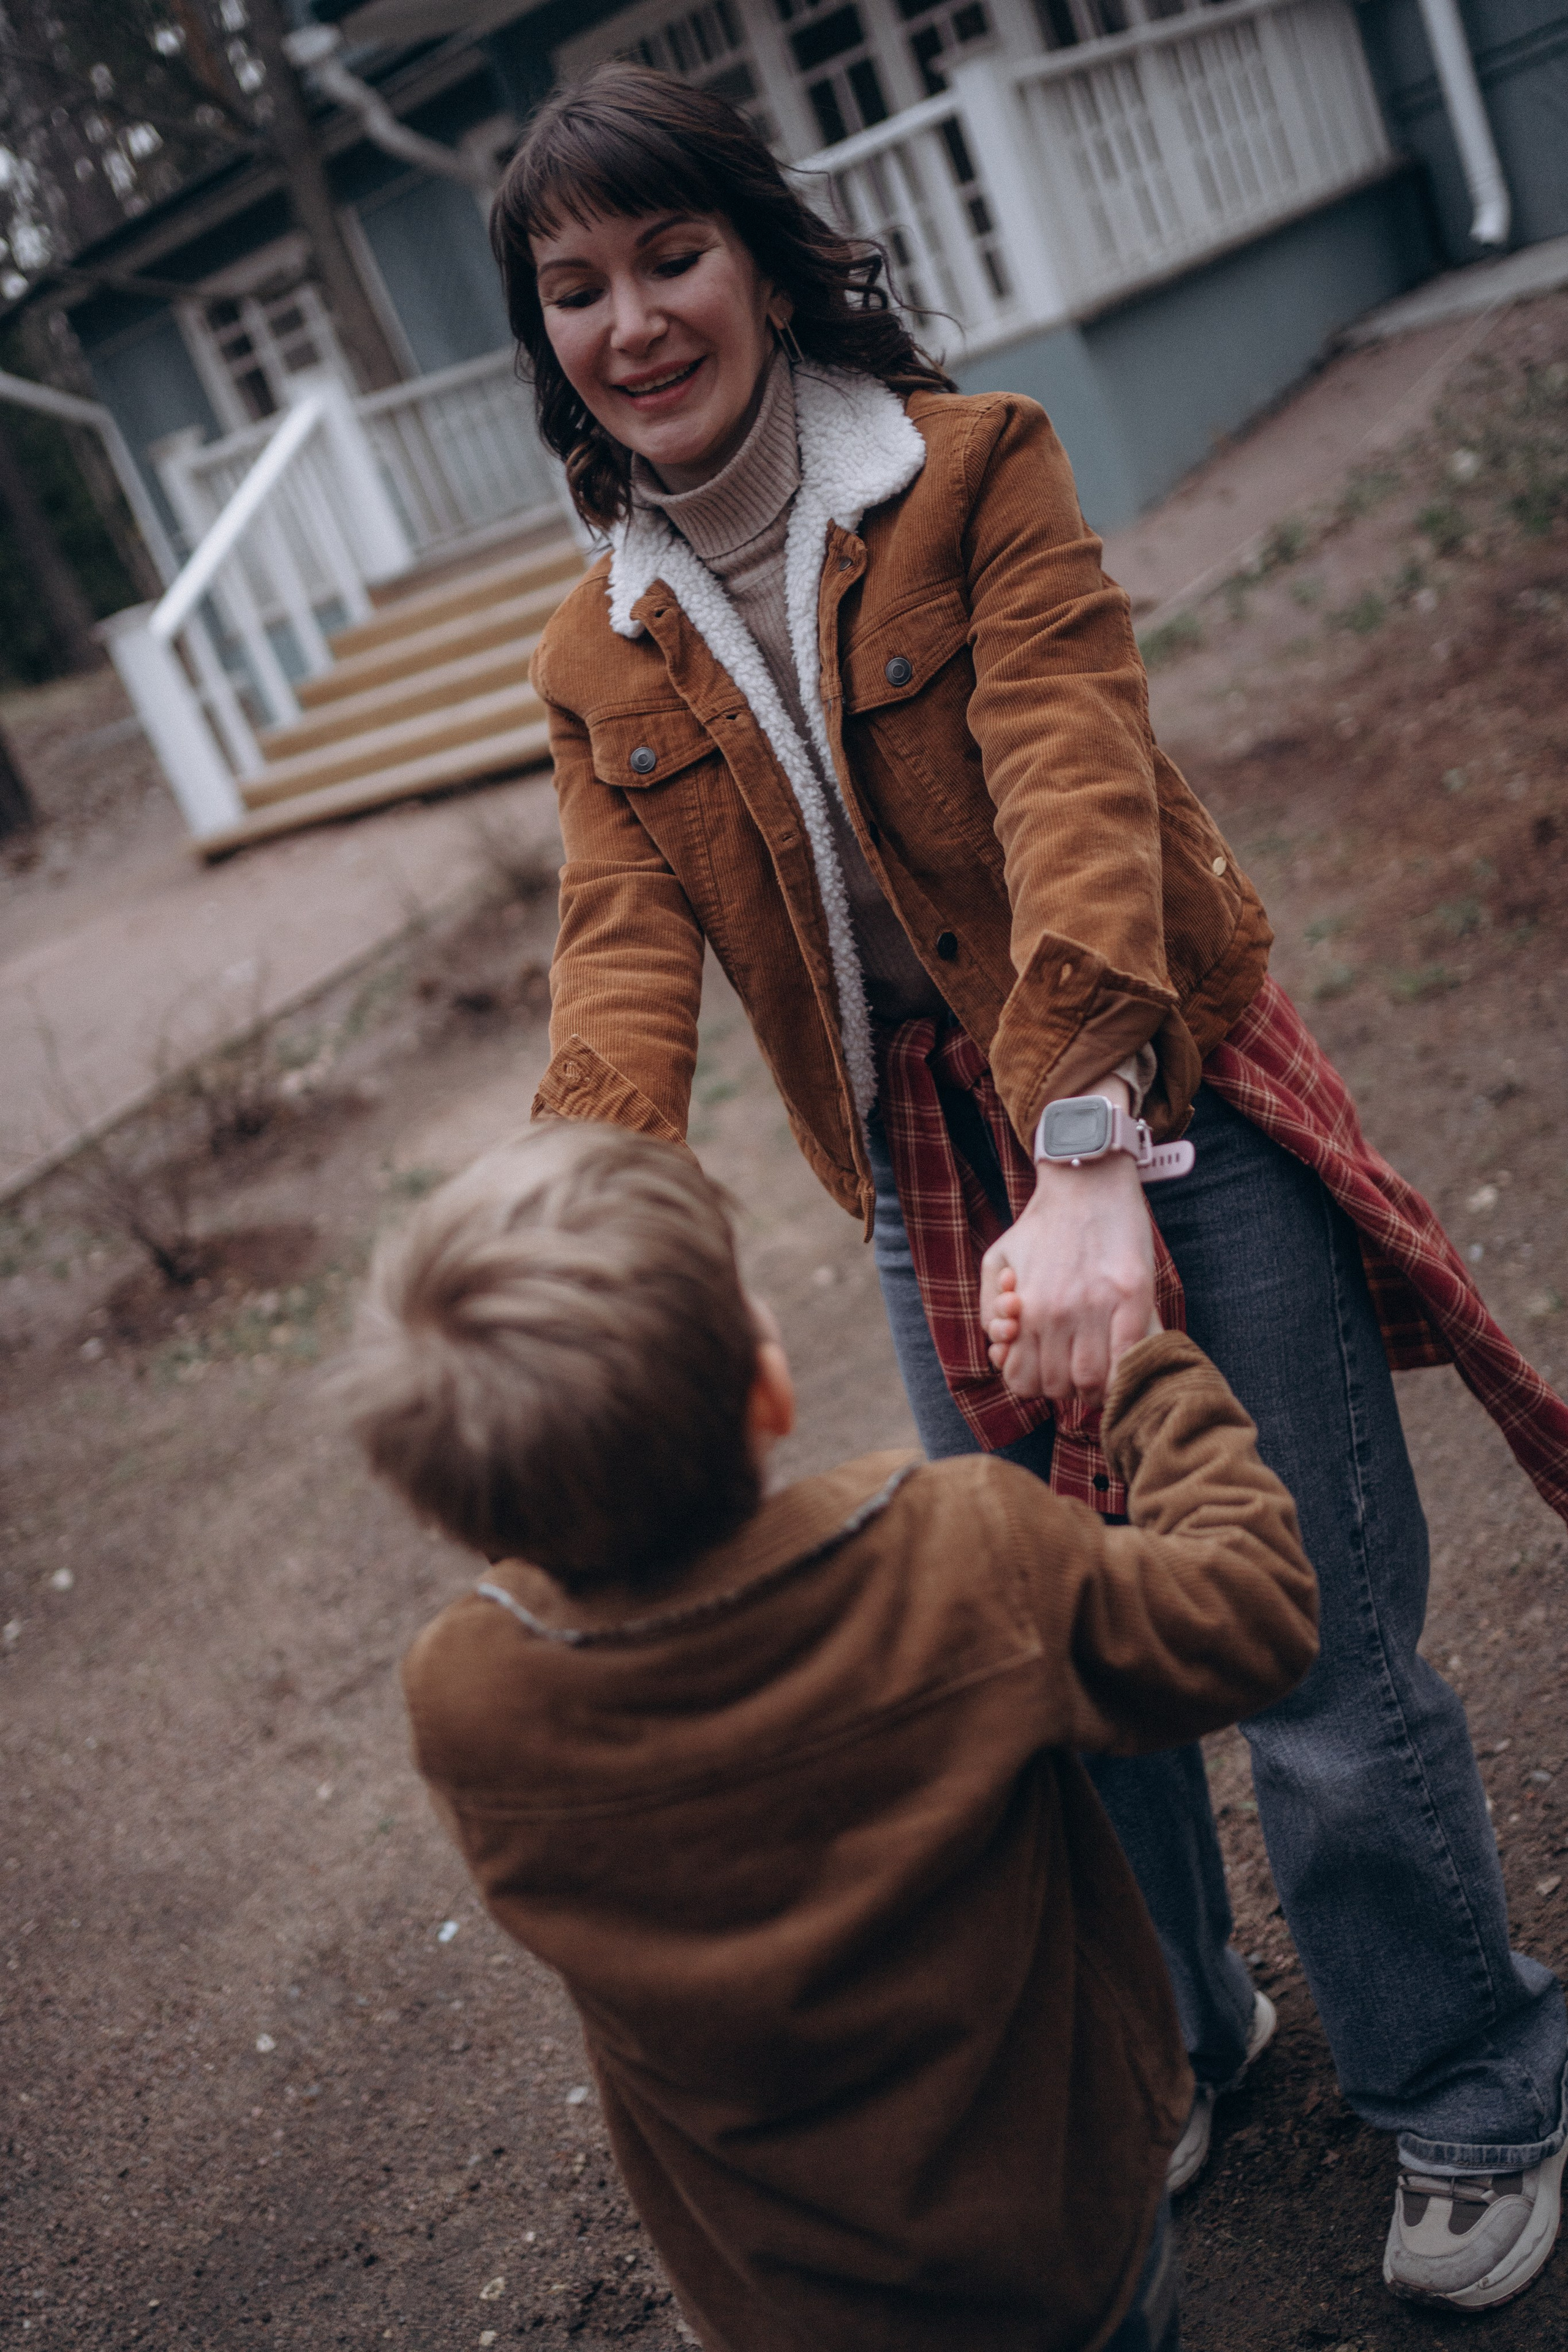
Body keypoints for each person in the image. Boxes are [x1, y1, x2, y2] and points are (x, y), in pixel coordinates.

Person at [492, 62, 1568, 2309]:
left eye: (669, 256)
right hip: (913, 1159)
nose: (633, 321)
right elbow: (618, 958)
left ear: (768, 262)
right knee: (1027, 1641)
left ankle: (1469, 2079)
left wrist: (1090, 1149)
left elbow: (1072, 777)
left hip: (1150, 1083)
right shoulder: (598, 648)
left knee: (1301, 1633)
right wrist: (571, 1264)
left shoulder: (976, 472)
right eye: (573, 289)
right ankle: (1174, 2043)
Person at [345, 1120, 1320, 2352]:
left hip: (773, 2301)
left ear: (447, 1503)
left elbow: (531, 1588)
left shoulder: (468, 1698)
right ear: (769, 1388)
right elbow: (1253, 1615)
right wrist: (1145, 1375)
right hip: (1059, 2244)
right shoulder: (953, 1551)